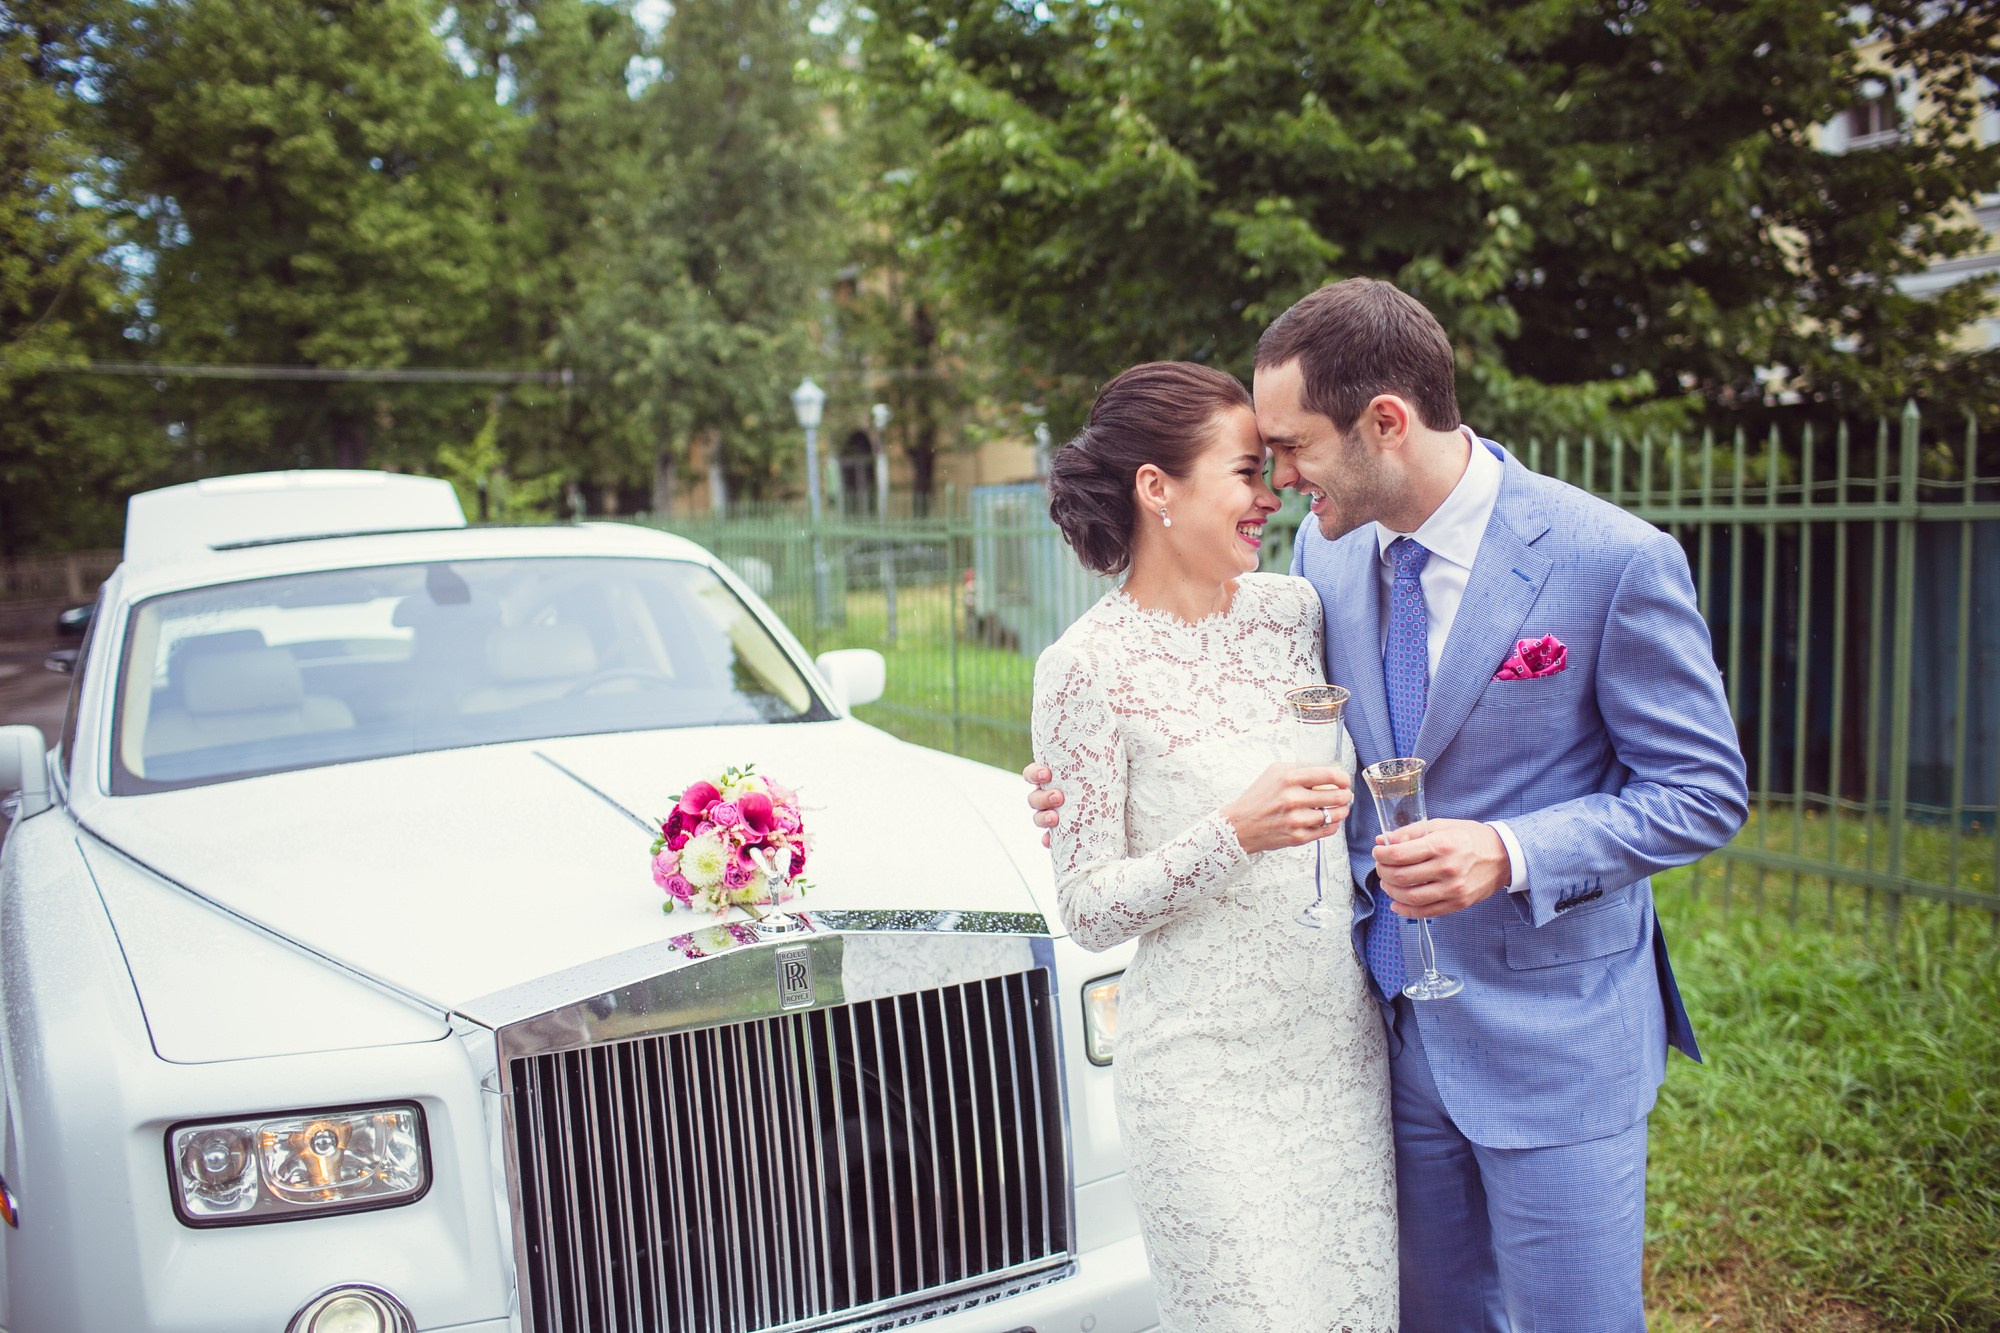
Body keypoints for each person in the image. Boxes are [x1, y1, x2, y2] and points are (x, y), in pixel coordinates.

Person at [1027, 278, 1748, 1332]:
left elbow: (1702, 792)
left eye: (1290, 445)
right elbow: (1218, 726)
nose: (1277, 477)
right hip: (1384, 1047)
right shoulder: (1323, 558)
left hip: (1552, 1040)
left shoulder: (1610, 560)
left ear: (1384, 423)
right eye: (1257, 454)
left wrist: (1506, 849)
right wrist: (1077, 788)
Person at [1031, 361, 1399, 1331]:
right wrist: (1231, 833)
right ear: (1156, 487)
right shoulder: (1081, 668)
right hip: (1202, 1081)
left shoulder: (1295, 613)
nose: (1268, 497)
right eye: (1244, 473)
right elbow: (1087, 907)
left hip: (1334, 1053)